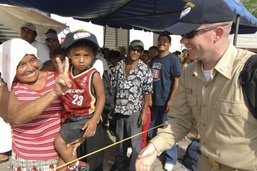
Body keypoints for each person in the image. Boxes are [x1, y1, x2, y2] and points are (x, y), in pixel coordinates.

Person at [136, 0, 257, 171]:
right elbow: (180, 120)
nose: (182, 40)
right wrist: (155, 147)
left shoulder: (251, 72)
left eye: (189, 33)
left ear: (217, 33)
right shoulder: (189, 73)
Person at [0, 38, 72, 171]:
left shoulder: (56, 78)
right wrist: (53, 93)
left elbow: (76, 115)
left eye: (32, 60)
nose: (30, 68)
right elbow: (18, 116)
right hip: (26, 162)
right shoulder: (5, 90)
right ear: (10, 66)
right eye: (21, 65)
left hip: (60, 160)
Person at [54, 30, 105, 171]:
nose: (81, 60)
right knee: (61, 164)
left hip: (83, 118)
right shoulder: (65, 72)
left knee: (59, 143)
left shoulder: (93, 75)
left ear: (93, 56)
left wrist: (94, 120)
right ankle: (74, 164)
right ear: (69, 54)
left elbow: (101, 98)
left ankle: (77, 166)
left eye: (86, 55)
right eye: (77, 55)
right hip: (68, 119)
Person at [110, 40, 153, 171]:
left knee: (135, 143)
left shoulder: (145, 69)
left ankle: (133, 167)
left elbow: (147, 93)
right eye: (134, 49)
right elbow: (113, 86)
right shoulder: (119, 65)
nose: (136, 52)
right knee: (119, 141)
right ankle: (120, 165)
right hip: (118, 110)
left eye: (139, 51)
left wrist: (144, 112)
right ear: (129, 50)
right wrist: (112, 106)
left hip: (134, 111)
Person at [148, 33, 182, 171]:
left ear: (169, 44)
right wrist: (149, 97)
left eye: (164, 41)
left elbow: (176, 81)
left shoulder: (173, 60)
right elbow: (149, 81)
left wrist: (171, 99)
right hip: (154, 101)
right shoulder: (154, 59)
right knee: (152, 130)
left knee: (167, 131)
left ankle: (171, 159)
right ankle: (154, 151)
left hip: (166, 101)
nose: (161, 42)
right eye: (160, 40)